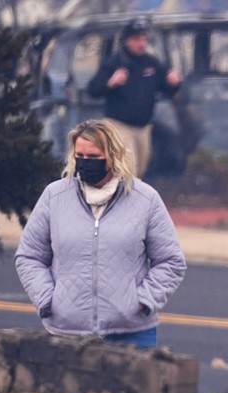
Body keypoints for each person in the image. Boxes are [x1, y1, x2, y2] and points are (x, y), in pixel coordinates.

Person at [16, 119, 186, 349]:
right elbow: (29, 257)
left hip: (133, 334)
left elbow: (171, 261)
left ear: (113, 156)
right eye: (80, 157)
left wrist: (144, 301)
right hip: (67, 333)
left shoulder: (146, 199)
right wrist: (47, 300)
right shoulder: (54, 197)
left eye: (94, 158)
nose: (85, 163)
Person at [87, 16, 181, 177]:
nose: (142, 43)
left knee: (140, 171)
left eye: (144, 39)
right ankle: (122, 200)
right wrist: (110, 83)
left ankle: (128, 201)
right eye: (137, 39)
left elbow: (166, 90)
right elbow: (93, 90)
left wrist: (174, 83)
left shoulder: (152, 63)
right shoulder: (114, 62)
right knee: (128, 168)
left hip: (143, 127)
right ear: (127, 41)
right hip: (119, 125)